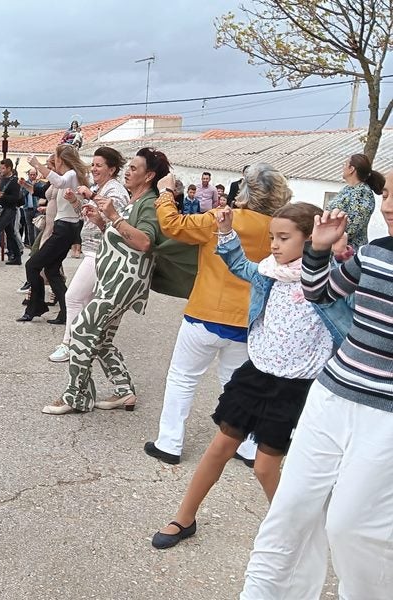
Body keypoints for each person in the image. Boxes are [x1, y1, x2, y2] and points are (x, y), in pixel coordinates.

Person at [152, 202, 351, 550]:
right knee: (219, 448)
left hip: (295, 385)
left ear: (309, 239)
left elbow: (352, 311)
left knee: (264, 467)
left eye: (284, 238)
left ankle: (292, 534)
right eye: (273, 236)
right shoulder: (270, 272)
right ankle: (184, 517)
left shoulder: (329, 282)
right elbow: (240, 265)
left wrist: (341, 254)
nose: (274, 244)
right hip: (256, 372)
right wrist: (226, 233)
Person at [240, 173, 393, 599]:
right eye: (386, 194)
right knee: (289, 512)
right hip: (331, 395)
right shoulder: (374, 253)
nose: (387, 205)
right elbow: (321, 293)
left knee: (352, 527)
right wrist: (320, 249)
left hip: (386, 416)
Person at [144, 163, 291, 466]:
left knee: (183, 378)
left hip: (205, 313)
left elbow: (172, 224)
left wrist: (167, 192)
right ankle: (248, 446)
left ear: (245, 191)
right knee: (236, 385)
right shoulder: (280, 229)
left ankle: (170, 443)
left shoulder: (223, 217)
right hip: (247, 320)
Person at [42, 147, 170, 415]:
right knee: (101, 340)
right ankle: (124, 391)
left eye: (134, 168)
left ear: (149, 176)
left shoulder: (148, 203)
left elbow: (144, 241)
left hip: (122, 281)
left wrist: (113, 217)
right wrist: (102, 222)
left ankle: (76, 396)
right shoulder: (137, 200)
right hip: (116, 278)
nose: (128, 172)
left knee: (81, 330)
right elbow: (122, 235)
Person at [48, 147, 129, 363]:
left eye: (99, 165)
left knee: (73, 297)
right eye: (93, 165)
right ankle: (85, 344)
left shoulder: (114, 192)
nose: (93, 169)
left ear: (112, 169)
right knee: (87, 302)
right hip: (92, 250)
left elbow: (115, 222)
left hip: (100, 253)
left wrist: (90, 197)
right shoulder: (98, 187)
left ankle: (69, 344)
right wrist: (76, 201)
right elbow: (86, 216)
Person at [18, 146, 89, 323]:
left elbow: (59, 182)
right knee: (51, 270)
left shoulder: (71, 175)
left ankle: (36, 306)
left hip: (64, 228)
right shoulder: (70, 176)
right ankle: (66, 311)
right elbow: (52, 186)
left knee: (32, 265)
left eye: (55, 159)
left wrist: (37, 164)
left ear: (61, 160)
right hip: (64, 228)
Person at [327, 152, 385, 249]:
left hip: (348, 251)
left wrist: (328, 235)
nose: (343, 168)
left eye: (345, 164)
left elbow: (353, 227)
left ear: (352, 169)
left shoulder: (363, 193)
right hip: (334, 246)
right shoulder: (348, 189)